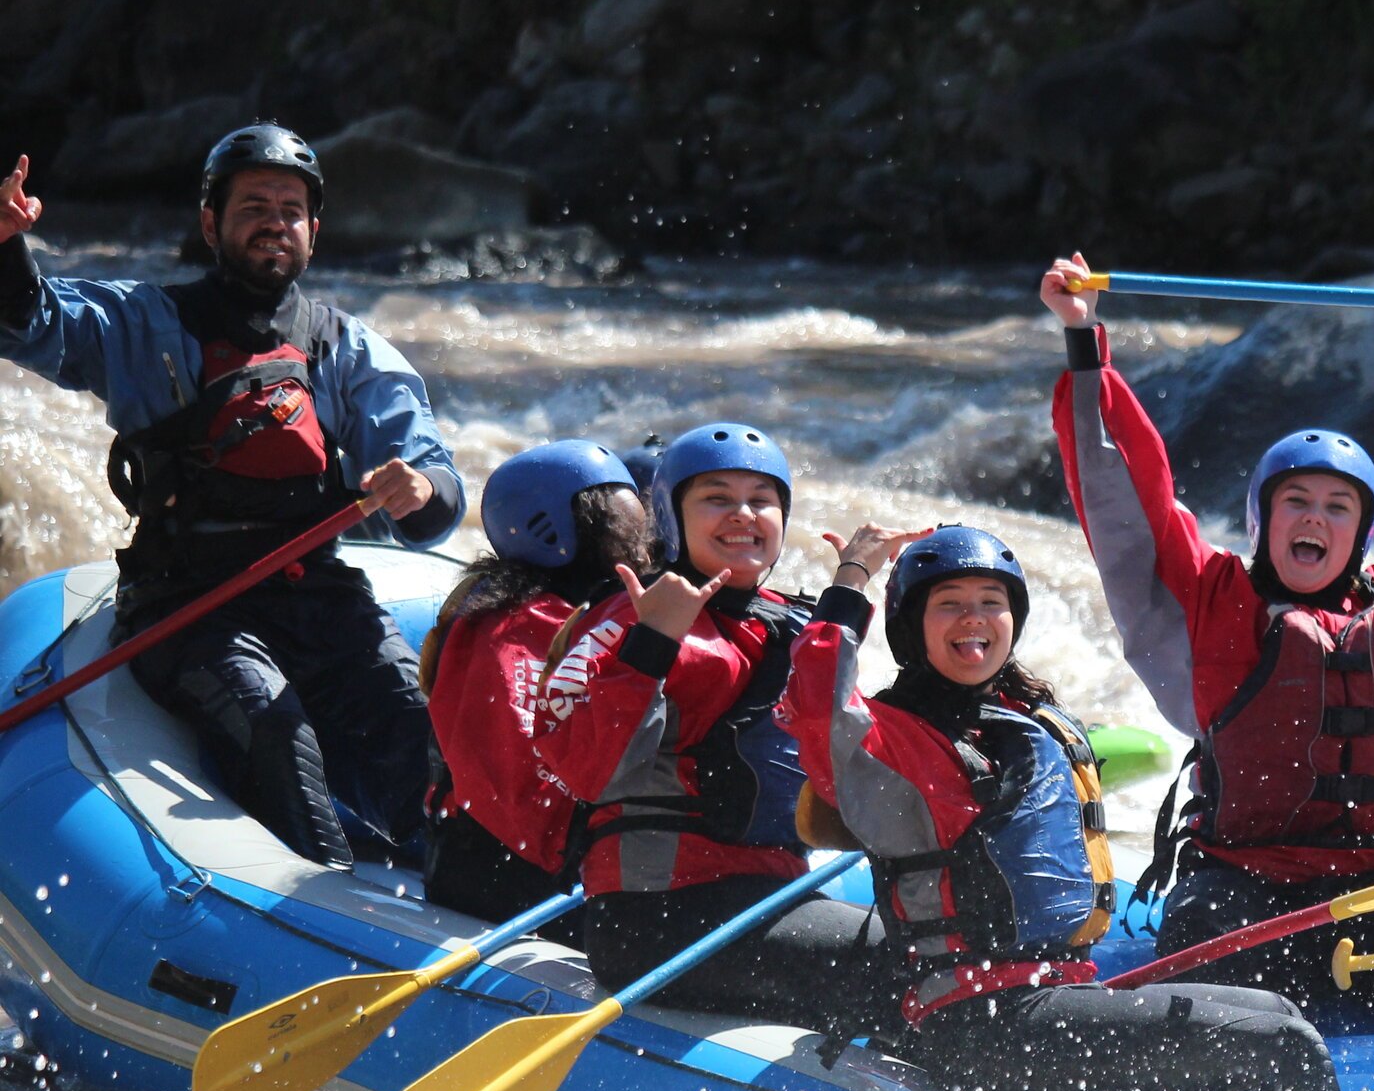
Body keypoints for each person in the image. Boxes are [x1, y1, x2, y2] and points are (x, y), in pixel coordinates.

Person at [1042, 251, 1374, 1021]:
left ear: (1360, 533)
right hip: (1241, 884)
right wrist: (1085, 341)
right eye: (1297, 500)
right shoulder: (1214, 598)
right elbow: (1128, 487)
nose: (1316, 518)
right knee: (1198, 970)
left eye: (1337, 506)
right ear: (1263, 520)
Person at [0, 127, 461, 867]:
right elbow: (40, 326)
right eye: (253, 205)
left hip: (317, 593)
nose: (275, 220)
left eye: (291, 207)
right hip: (190, 602)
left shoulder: (347, 349)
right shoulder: (143, 321)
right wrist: (6, 251)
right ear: (211, 223)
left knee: (419, 728)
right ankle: (324, 902)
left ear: (314, 231)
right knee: (274, 730)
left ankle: (460, 878)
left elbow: (433, 482)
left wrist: (419, 488)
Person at [779, 525, 1345, 1091]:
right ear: (910, 626)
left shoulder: (1020, 718)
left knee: (1278, 1011)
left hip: (1055, 998)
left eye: (990, 603)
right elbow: (816, 701)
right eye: (949, 604)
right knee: (1287, 1047)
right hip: (982, 1028)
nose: (973, 618)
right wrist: (852, 579)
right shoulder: (892, 741)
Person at [532, 422, 890, 1035]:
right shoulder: (637, 612)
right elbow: (587, 772)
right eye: (716, 498)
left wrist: (850, 587)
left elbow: (838, 748)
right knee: (903, 962)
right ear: (673, 516)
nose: (742, 514)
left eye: (761, 499)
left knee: (941, 947)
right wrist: (651, 644)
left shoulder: (782, 620)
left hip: (764, 898)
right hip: (658, 916)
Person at [419, 440, 646, 933]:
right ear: (561, 531)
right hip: (498, 877)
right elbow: (531, 784)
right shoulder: (512, 628)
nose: (642, 539)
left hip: (545, 869)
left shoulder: (587, 612)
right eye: (626, 523)